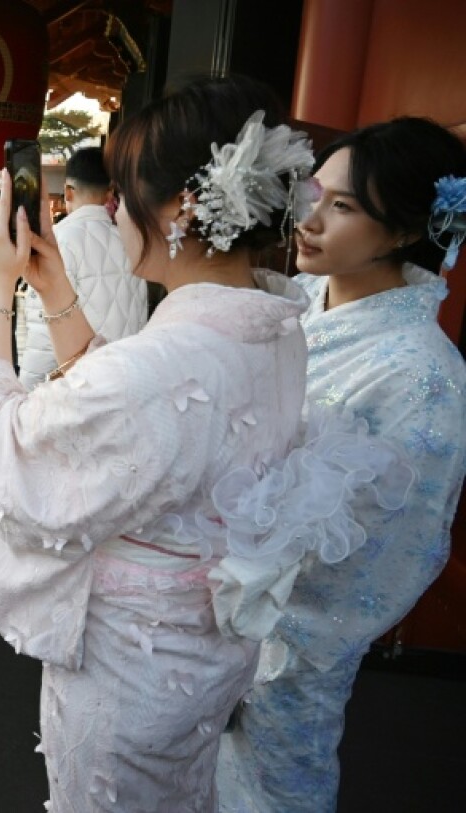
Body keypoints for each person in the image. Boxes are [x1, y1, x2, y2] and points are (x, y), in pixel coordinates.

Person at [0, 76, 409, 811]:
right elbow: (144, 413)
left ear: (179, 206)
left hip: (128, 672)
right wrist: (54, 291)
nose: (110, 209)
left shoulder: (163, 366)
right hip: (203, 655)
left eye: (122, 192)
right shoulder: (272, 323)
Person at [216, 118, 466, 812]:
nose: (311, 219)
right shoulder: (290, 302)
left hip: (286, 646)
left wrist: (238, 591)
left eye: (345, 206)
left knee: (268, 787)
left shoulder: (424, 374)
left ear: (409, 226)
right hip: (202, 614)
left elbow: (387, 555)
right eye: (314, 194)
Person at [18, 147, 147, 389]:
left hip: (80, 386)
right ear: (110, 192)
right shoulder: (131, 241)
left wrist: (27, 387)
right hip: (129, 379)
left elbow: (42, 332)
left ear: (68, 192)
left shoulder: (56, 243)